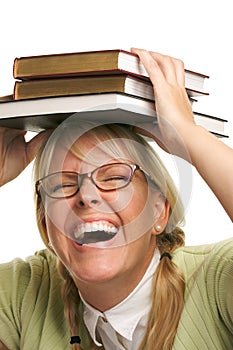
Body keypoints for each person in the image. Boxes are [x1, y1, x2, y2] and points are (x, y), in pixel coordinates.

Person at [0, 49, 232, 350]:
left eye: (113, 177)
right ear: (45, 223)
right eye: (61, 185)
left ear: (159, 212)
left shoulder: (217, 279)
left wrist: (189, 135)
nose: (87, 197)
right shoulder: (23, 291)